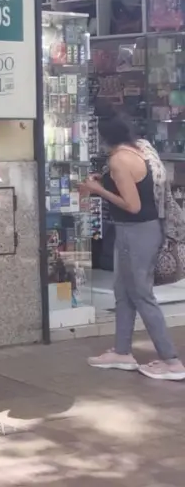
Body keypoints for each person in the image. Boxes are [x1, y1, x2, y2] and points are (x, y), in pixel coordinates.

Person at [82, 113, 185, 380]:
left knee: (140, 294)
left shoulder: (119, 160)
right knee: (123, 292)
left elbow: (132, 205)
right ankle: (122, 351)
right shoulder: (139, 149)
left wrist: (97, 190)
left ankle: (171, 361)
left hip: (135, 232)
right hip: (144, 230)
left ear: (104, 138)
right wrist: (104, 181)